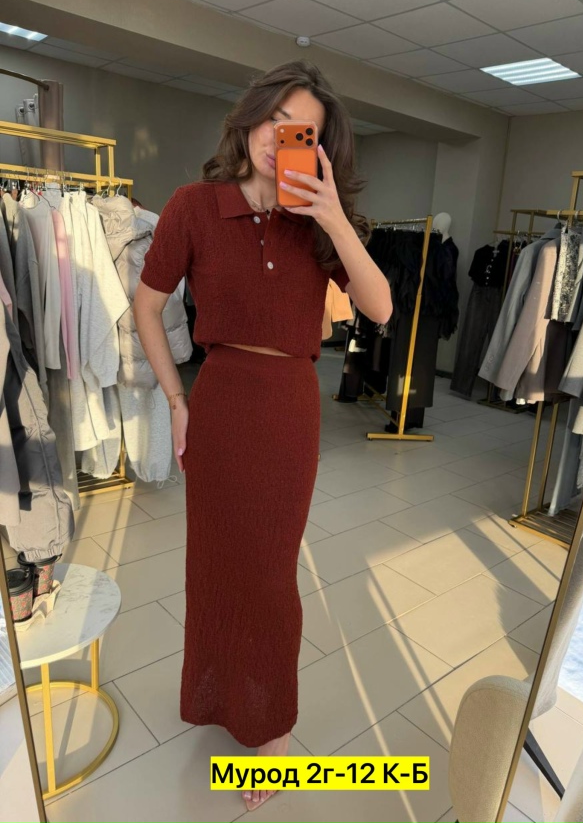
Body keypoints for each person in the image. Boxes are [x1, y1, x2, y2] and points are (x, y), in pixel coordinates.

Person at [133, 59, 392, 812]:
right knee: (216, 565)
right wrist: (176, 400)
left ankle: (270, 723)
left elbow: (378, 308)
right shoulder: (192, 206)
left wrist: (332, 216)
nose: (281, 140)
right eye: (275, 121)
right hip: (219, 402)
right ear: (249, 120)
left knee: (272, 575)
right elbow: (147, 305)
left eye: (301, 131)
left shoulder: (319, 223)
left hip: (288, 409)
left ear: (320, 146)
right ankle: (220, 696)